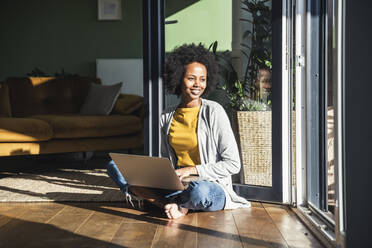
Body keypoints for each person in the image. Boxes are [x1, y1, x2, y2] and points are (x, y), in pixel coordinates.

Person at [107, 43, 251, 219]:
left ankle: (167, 203)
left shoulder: (214, 111)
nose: (198, 84)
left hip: (210, 185)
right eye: (191, 78)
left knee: (199, 191)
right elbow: (166, 161)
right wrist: (163, 174)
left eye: (203, 79)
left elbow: (233, 164)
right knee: (116, 167)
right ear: (178, 78)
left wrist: (191, 170)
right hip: (178, 184)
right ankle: (172, 205)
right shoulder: (166, 116)